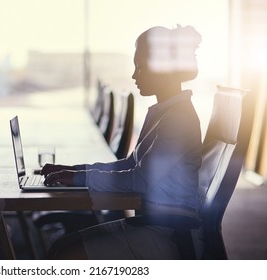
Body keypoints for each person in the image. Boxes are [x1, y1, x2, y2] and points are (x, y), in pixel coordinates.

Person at [41, 25, 203, 259]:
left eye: (140, 66)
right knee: (59, 248)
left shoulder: (178, 119)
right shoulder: (164, 111)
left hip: (171, 233)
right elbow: (129, 165)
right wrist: (74, 171)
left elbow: (140, 179)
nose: (134, 75)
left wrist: (78, 178)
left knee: (63, 255)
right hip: (154, 222)